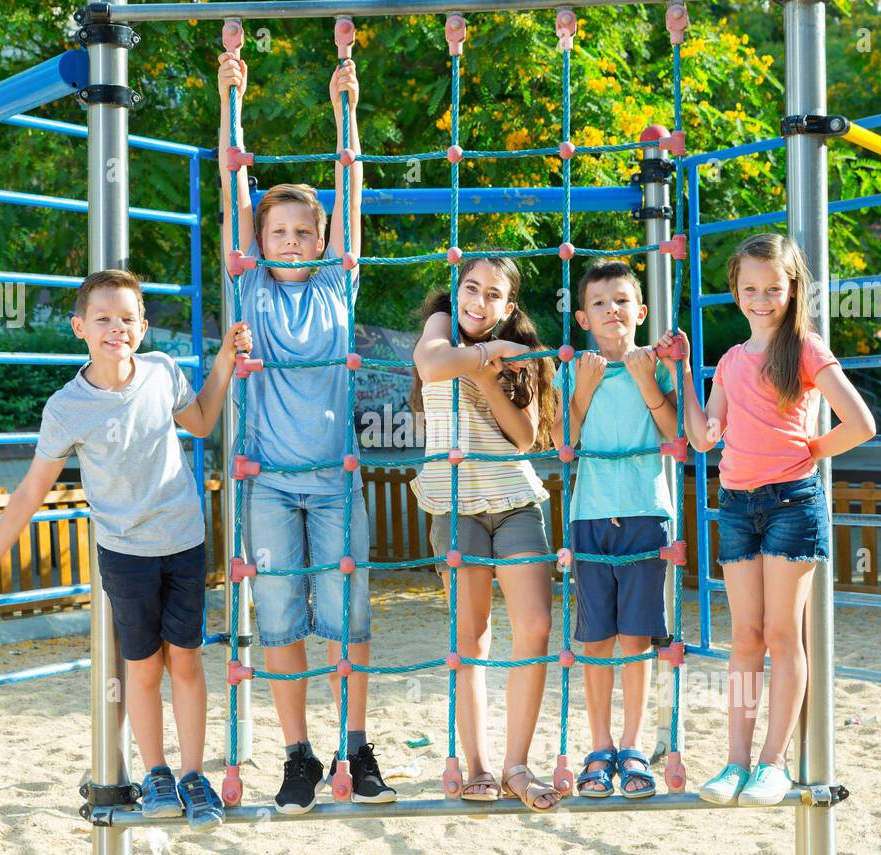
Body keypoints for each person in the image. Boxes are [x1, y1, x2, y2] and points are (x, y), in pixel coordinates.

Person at [0, 269, 250, 830]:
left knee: (185, 658)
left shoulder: (162, 373)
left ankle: (191, 774)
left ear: (143, 326)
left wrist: (226, 361)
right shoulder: (67, 407)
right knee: (142, 665)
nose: (117, 328)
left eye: (128, 318)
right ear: (79, 327)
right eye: (104, 318)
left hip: (183, 539)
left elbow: (203, 421)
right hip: (126, 551)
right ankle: (155, 771)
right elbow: (32, 490)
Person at [217, 49, 396, 814]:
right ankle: (298, 757)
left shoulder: (336, 282)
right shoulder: (247, 283)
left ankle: (355, 747)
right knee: (282, 618)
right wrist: (233, 100)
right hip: (266, 484)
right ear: (260, 240)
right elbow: (233, 186)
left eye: (303, 230)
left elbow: (351, 187)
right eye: (277, 230)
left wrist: (344, 110)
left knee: (347, 619)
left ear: (322, 240)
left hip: (335, 481)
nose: (290, 240)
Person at [668, 233, 875, 806]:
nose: (762, 298)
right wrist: (684, 370)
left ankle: (771, 762)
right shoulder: (732, 361)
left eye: (774, 289)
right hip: (736, 505)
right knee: (745, 638)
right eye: (750, 288)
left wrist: (811, 449)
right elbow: (705, 436)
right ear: (735, 290)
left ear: (792, 291)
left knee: (783, 635)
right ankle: (734, 762)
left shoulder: (805, 350)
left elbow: (860, 423)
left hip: (791, 503)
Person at [410, 257, 561, 811]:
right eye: (470, 288)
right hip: (455, 504)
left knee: (537, 625)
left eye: (492, 294)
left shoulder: (511, 357)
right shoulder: (441, 329)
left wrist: (487, 371)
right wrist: (483, 356)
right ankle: (475, 764)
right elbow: (431, 366)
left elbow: (523, 437)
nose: (478, 301)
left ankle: (516, 764)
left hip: (515, 498)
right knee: (470, 637)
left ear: (508, 307)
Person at [552, 260, 677, 799]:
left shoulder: (656, 364)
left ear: (640, 311)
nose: (612, 310)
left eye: (622, 300)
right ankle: (599, 746)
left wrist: (649, 380)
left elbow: (675, 432)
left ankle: (632, 745)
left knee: (636, 637)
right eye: (600, 303)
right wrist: (582, 389)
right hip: (590, 516)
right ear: (582, 317)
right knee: (596, 637)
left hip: (647, 511)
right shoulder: (573, 369)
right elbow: (565, 442)